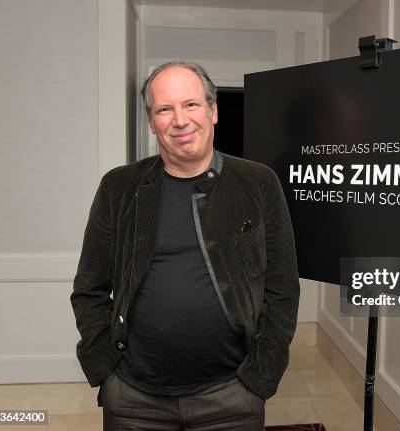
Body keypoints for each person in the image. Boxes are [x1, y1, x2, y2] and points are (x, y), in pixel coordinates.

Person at [70, 61, 300, 430]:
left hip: (232, 397)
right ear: (151, 122)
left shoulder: (258, 183)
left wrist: (260, 377)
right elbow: (89, 288)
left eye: (191, 105)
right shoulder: (119, 187)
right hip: (133, 399)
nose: (179, 120)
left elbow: (283, 287)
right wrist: (105, 370)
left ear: (213, 110)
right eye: (165, 109)